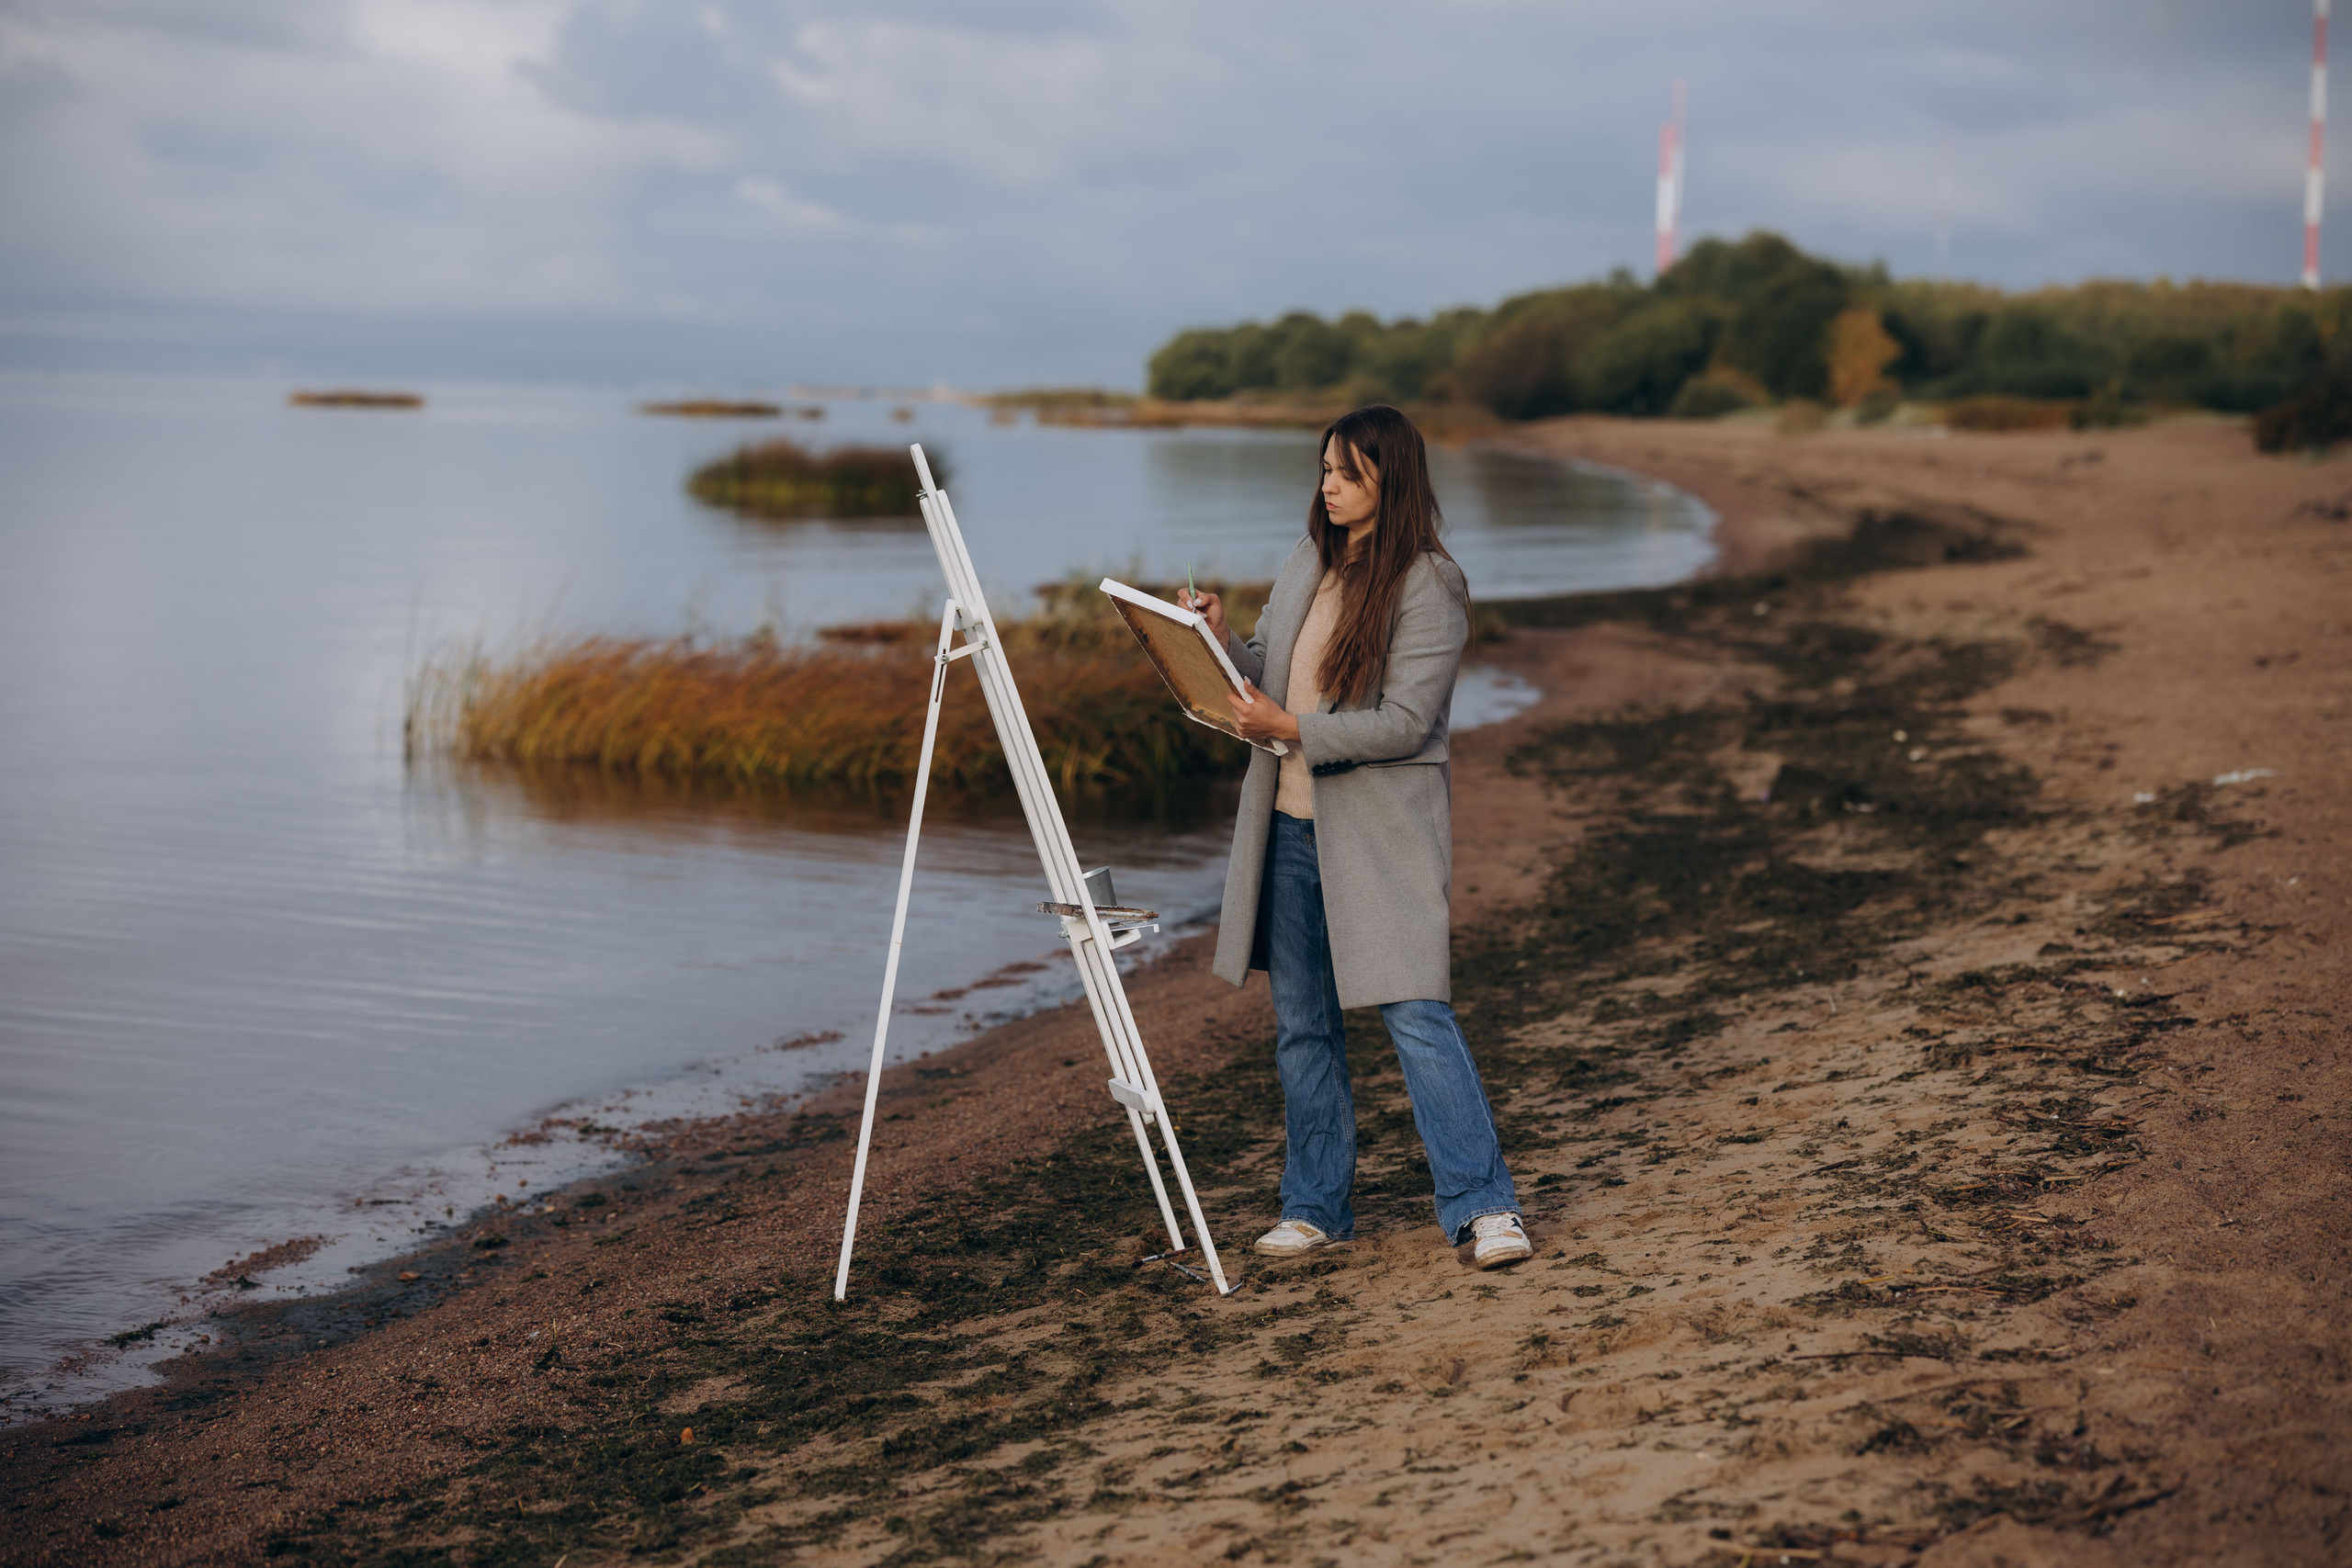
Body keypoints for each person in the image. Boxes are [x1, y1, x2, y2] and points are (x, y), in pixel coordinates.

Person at [1180, 404, 1531, 1270]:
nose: (1327, 486)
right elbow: (1270, 677)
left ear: (1388, 480)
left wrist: (1291, 725)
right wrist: (1219, 640)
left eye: (1346, 472)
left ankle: (1487, 1207)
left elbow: (1408, 723)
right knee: (1302, 1028)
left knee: (1416, 1010)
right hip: (1289, 829)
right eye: (1324, 470)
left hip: (1379, 834)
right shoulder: (1308, 560)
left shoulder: (1429, 583)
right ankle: (1316, 1207)